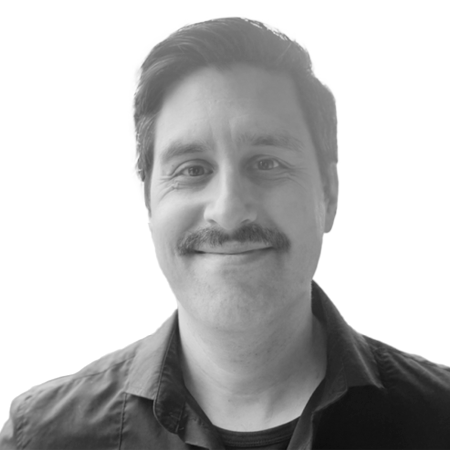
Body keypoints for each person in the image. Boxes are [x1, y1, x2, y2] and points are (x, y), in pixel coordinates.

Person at [1, 15, 449, 450]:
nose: (230, 211)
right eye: (193, 169)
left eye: (267, 163)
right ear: (146, 199)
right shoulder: (41, 439)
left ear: (329, 193)